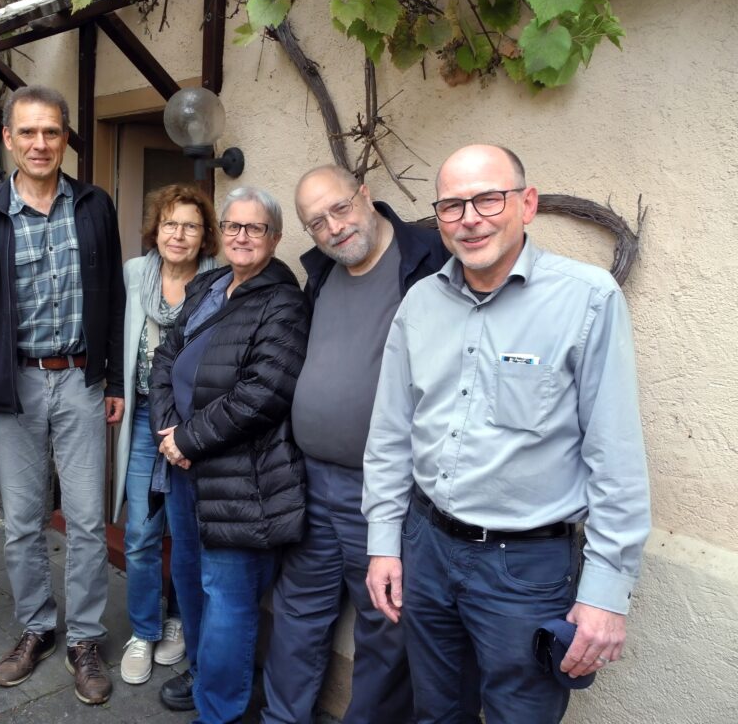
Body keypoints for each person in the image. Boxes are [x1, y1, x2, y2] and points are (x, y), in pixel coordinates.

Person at [363, 144, 651, 723]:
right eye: (451, 206)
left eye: (488, 198)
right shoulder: (420, 303)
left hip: (524, 571)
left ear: (527, 203)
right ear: (439, 218)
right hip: (427, 549)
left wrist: (605, 592)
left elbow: (615, 457)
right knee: (436, 713)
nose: (470, 218)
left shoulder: (588, 299)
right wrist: (383, 542)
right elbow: (391, 432)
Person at [259, 165, 448, 724]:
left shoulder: (427, 262)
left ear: (365, 194)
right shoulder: (321, 274)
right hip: (311, 480)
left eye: (340, 208)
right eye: (316, 222)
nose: (334, 227)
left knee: (385, 625)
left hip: (386, 490)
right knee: (297, 615)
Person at [0, 85, 125, 705]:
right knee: (22, 522)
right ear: (7, 138)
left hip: (81, 379)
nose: (39, 143)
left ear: (65, 137)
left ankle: (83, 637)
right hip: (14, 383)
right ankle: (37, 628)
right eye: (27, 132)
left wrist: (111, 380)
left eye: (51, 132)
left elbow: (111, 296)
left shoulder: (94, 205)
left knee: (85, 519)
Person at [149, 187, 310, 722]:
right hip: (184, 466)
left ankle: (219, 710)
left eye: (255, 228)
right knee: (190, 582)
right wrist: (169, 431)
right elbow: (164, 357)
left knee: (228, 598)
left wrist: (188, 439)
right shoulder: (212, 284)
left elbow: (264, 392)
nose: (241, 236)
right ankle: (200, 674)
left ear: (276, 238)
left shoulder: (283, 302)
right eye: (233, 226)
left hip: (242, 479)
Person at [112, 184, 219, 684]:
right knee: (140, 533)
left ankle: (177, 622)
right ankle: (143, 629)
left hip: (195, 425)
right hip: (142, 423)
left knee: (187, 531)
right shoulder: (135, 274)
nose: (179, 234)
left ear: (205, 236)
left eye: (191, 226)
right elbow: (116, 336)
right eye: (171, 224)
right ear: (156, 229)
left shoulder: (218, 283)